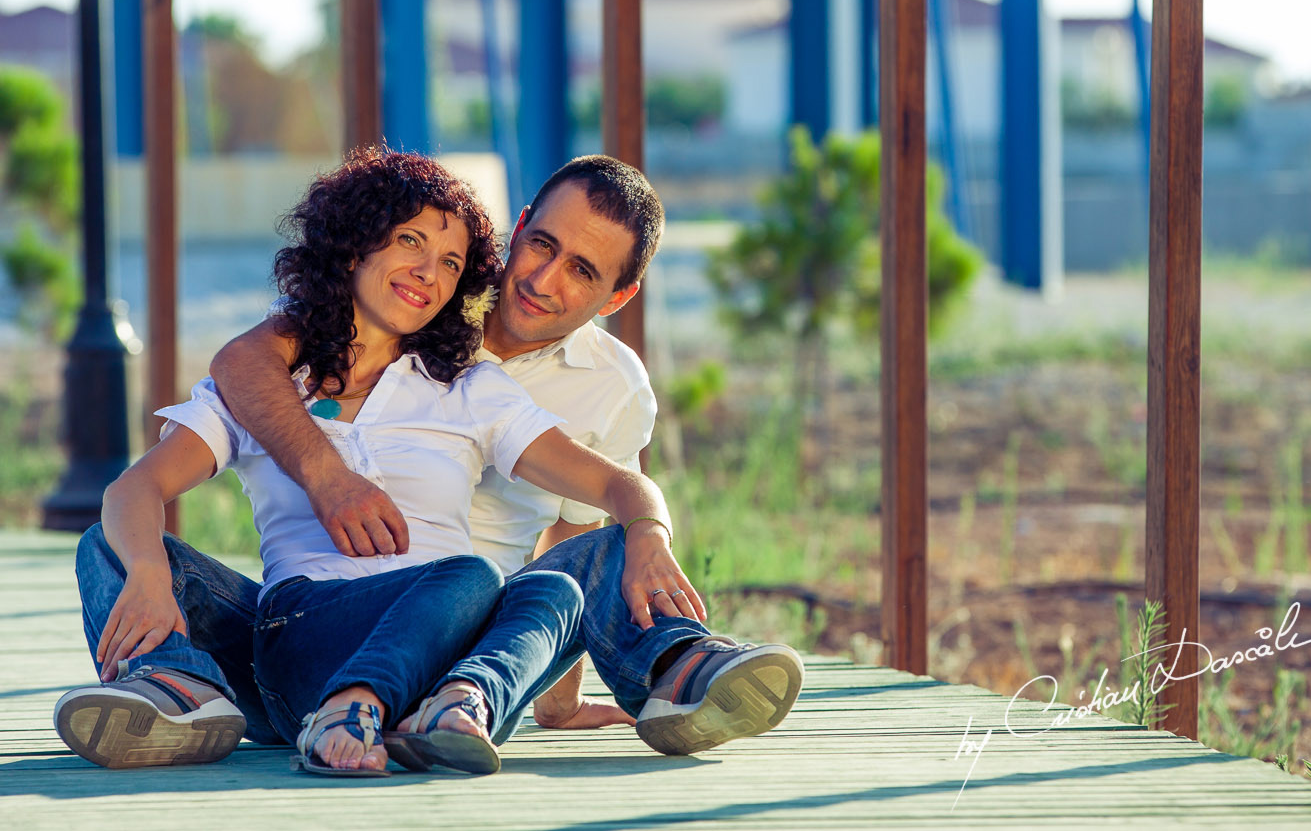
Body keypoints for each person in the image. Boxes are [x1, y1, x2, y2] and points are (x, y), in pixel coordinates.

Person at [53, 149, 705, 776]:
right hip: (301, 636)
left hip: (451, 651)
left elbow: (613, 484)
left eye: (451, 261)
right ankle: (183, 686)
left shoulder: (471, 386)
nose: (429, 271)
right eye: (410, 242)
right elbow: (134, 488)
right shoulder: (279, 385)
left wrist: (648, 530)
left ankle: (464, 704)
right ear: (357, 241)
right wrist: (145, 569)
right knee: (106, 544)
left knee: (550, 589)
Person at [210, 155, 805, 755]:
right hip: (360, 602)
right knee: (150, 556)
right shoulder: (420, 294)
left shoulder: (613, 385)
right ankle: (198, 680)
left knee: (614, 544)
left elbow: (571, 547)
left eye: (581, 271)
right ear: (518, 227)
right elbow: (243, 360)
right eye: (542, 245)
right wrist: (326, 477)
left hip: (488, 644)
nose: (543, 281)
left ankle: (677, 670)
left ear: (618, 296)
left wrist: (558, 698)